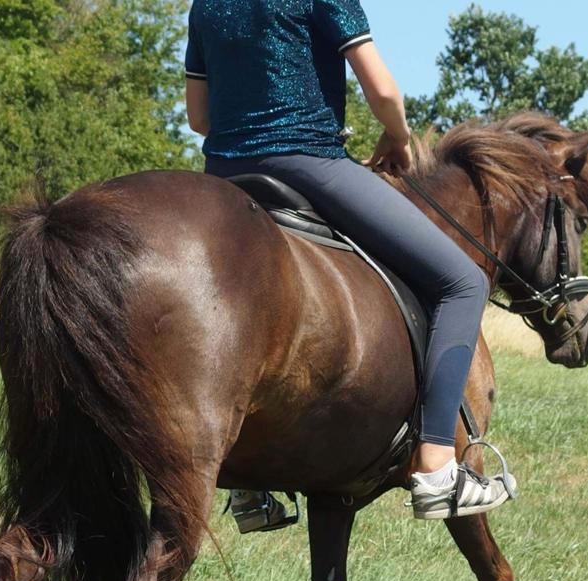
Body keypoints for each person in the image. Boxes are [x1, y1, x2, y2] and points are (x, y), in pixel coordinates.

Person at [184, 0, 514, 525]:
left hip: (223, 171)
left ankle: (244, 482)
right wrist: (398, 137)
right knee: (463, 282)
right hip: (308, 163)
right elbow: (381, 90)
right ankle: (436, 466)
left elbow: (199, 116)